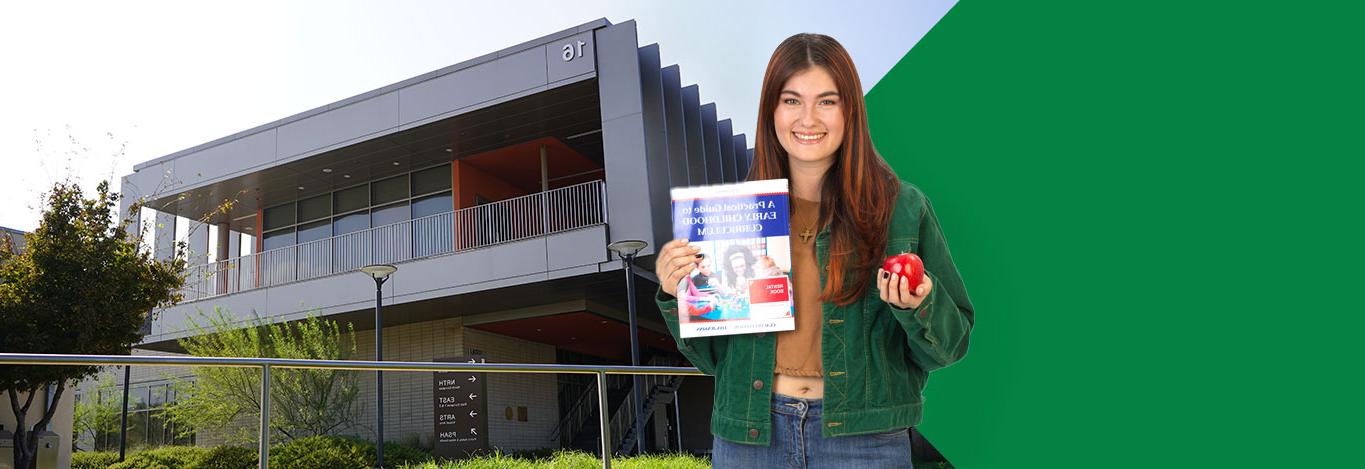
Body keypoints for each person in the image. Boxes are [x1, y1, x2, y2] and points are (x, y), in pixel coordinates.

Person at [653, 33, 974, 468]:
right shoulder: (729, 219)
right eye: (791, 100)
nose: (808, 118)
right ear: (771, 111)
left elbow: (948, 347)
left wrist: (920, 304)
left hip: (865, 440)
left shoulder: (903, 207)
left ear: (850, 112)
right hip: (750, 437)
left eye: (827, 101)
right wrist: (680, 295)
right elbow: (714, 362)